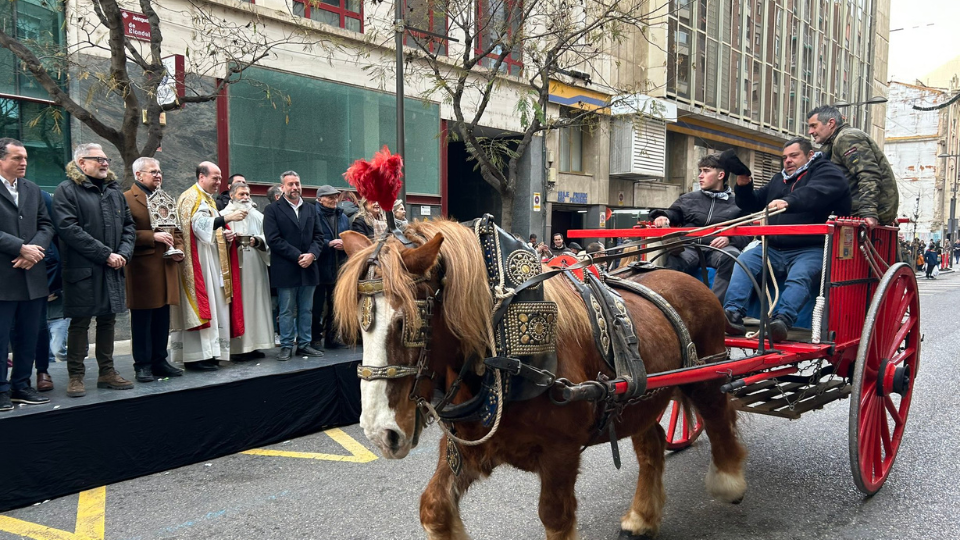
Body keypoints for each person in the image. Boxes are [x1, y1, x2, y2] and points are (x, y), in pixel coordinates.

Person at [721, 137, 851, 343]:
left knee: (800, 276)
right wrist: (744, 184)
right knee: (744, 262)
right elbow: (753, 203)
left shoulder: (827, 172)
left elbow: (813, 193)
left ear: (809, 155)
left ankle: (782, 320)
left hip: (810, 248)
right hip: (772, 246)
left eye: (793, 156)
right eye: (784, 157)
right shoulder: (778, 179)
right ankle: (732, 314)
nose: (788, 161)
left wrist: (788, 201)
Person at [54, 143, 136, 397]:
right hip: (83, 269)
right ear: (82, 162)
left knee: (108, 320)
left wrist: (122, 253)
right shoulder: (67, 190)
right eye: (99, 159)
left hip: (112, 267)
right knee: (80, 321)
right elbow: (68, 229)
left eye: (106, 159)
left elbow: (129, 226)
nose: (105, 163)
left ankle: (107, 372)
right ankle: (76, 376)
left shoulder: (113, 191)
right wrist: (105, 254)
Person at [170, 162, 247, 371]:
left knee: (215, 305)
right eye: (215, 177)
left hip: (211, 259)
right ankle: (196, 357)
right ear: (201, 177)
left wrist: (225, 233)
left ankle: (211, 353)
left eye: (220, 178)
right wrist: (226, 218)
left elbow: (211, 230)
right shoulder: (191, 198)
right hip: (198, 263)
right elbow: (198, 227)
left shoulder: (208, 199)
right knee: (205, 305)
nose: (219, 182)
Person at [0, 138, 53, 411]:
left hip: (32, 275)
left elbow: (46, 224)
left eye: (25, 158)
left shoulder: (33, 189)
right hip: (3, 277)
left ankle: (21, 385)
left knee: (28, 335)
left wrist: (34, 251)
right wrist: (19, 247)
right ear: (1, 160)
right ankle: (1, 391)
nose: (23, 163)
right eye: (17, 158)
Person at [651, 154, 749, 302]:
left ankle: (715, 306)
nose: (700, 176)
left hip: (718, 250)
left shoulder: (739, 202)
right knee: (674, 260)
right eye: (700, 171)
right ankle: (667, 305)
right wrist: (661, 216)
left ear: (721, 175)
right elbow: (673, 213)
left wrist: (729, 238)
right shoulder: (688, 198)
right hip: (690, 247)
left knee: (732, 257)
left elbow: (747, 231)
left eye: (706, 171)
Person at [123, 157, 185, 382]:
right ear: (139, 175)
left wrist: (178, 249)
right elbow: (123, 234)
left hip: (166, 266)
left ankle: (160, 360)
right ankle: (142, 365)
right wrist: (152, 236)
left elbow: (176, 231)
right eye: (153, 172)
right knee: (142, 319)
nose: (158, 175)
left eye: (159, 171)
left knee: (162, 317)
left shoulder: (165, 198)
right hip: (143, 268)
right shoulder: (127, 199)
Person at [263, 171, 325, 360]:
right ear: (282, 188)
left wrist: (312, 254)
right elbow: (273, 239)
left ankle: (304, 344)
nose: (294, 187)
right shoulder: (273, 210)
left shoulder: (311, 209)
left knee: (307, 309)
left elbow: (319, 236)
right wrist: (299, 256)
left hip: (309, 267)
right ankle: (287, 345)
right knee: (287, 309)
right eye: (290, 184)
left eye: (297, 183)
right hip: (286, 267)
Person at [807, 105, 899, 226]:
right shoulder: (833, 143)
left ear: (831, 123)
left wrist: (869, 212)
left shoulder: (847, 138)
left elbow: (868, 174)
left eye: (814, 126)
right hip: (854, 214)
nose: (810, 132)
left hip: (859, 216)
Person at [223, 181, 274, 359]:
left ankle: (255, 344)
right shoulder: (224, 215)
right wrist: (229, 240)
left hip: (255, 265)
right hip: (234, 266)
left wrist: (257, 240)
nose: (245, 198)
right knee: (239, 304)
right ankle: (237, 348)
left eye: (247, 194)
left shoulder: (258, 216)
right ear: (231, 196)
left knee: (256, 304)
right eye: (241, 194)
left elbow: (269, 236)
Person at [311, 185, 349, 351]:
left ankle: (332, 338)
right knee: (316, 307)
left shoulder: (343, 217)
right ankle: (315, 339)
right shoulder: (313, 214)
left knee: (336, 305)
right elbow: (310, 239)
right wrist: (328, 244)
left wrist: (345, 244)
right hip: (319, 267)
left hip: (338, 267)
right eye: (330, 197)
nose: (334, 200)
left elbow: (350, 236)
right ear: (320, 199)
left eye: (335, 197)